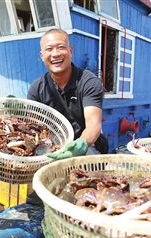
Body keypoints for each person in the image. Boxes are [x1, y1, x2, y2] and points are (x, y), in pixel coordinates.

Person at [27, 28, 107, 160]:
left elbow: (93, 126)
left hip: (87, 146)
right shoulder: (36, 88)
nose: (55, 54)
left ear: (71, 51)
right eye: (49, 49)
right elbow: (31, 127)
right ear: (42, 56)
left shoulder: (88, 82)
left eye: (61, 47)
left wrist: (79, 146)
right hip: (52, 146)